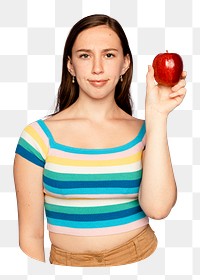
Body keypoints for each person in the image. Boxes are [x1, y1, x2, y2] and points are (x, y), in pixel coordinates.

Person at [13, 14, 187, 267]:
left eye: (109, 55)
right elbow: (31, 234)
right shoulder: (37, 137)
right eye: (85, 55)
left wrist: (157, 116)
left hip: (141, 261)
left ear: (125, 63)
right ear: (70, 65)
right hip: (65, 265)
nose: (97, 68)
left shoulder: (146, 131)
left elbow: (158, 209)